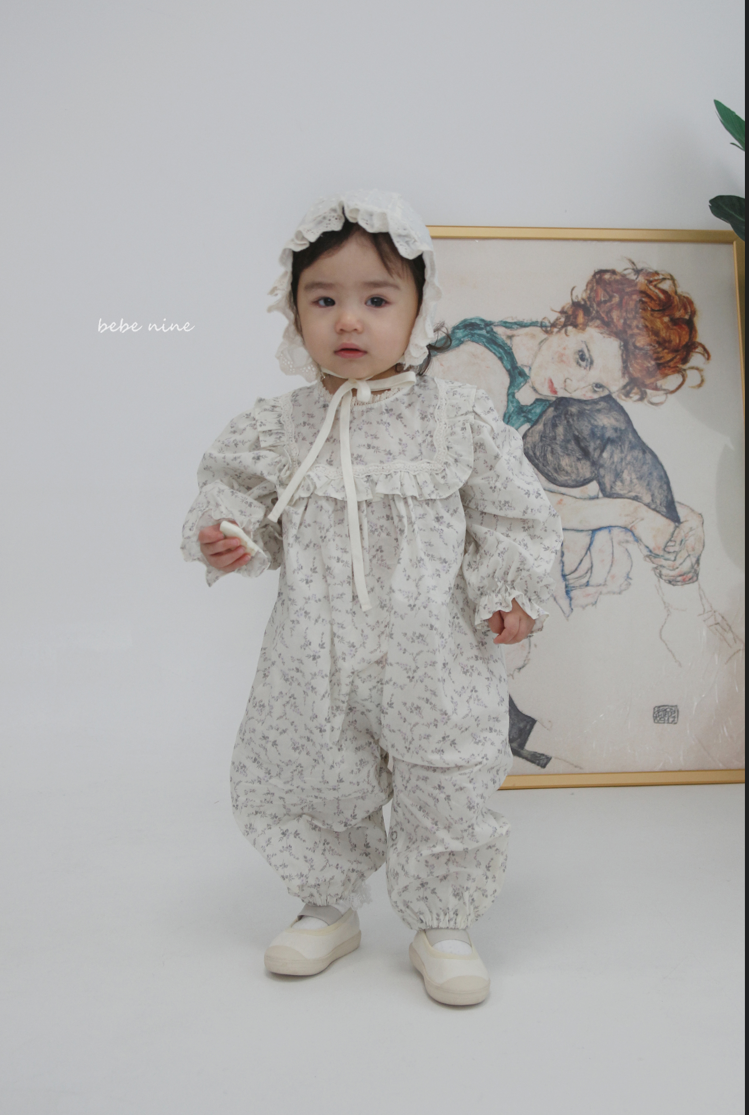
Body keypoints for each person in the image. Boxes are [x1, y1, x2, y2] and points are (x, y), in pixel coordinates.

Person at [181, 190, 562, 1006]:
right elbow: (237, 492)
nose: (348, 320)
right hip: (314, 644)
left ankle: (443, 924)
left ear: (420, 311)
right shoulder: (282, 426)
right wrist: (229, 531)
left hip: (436, 645)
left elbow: (512, 512)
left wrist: (510, 586)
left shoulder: (454, 419)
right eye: (323, 299)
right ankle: (326, 907)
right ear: (292, 311)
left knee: (447, 775)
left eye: (377, 300)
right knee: (308, 766)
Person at [431, 267, 711, 763]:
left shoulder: (549, 365)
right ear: (571, 319)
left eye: (597, 381)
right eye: (582, 357)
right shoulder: (479, 368)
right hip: (437, 528)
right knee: (597, 418)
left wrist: (681, 517)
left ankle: (679, 567)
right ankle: (516, 727)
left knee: (601, 415)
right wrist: (630, 514)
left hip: (499, 509)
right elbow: (494, 504)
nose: (574, 382)